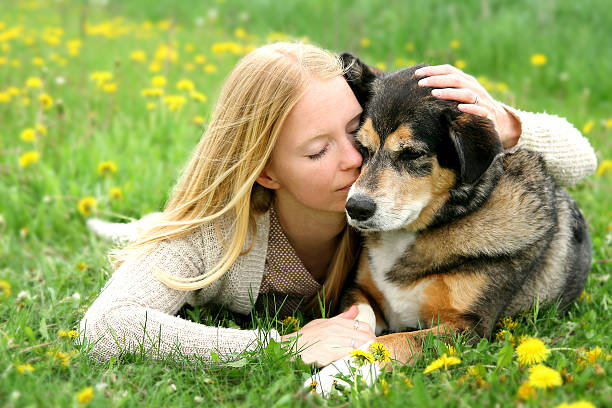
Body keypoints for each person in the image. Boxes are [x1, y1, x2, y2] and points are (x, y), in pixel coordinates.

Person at [80, 42, 597, 368]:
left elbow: (581, 160)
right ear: (266, 170)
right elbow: (104, 327)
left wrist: (506, 125)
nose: (358, 165)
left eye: (356, 134)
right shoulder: (211, 241)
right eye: (317, 150)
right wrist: (280, 349)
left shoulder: (387, 208)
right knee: (155, 233)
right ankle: (136, 230)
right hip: (214, 233)